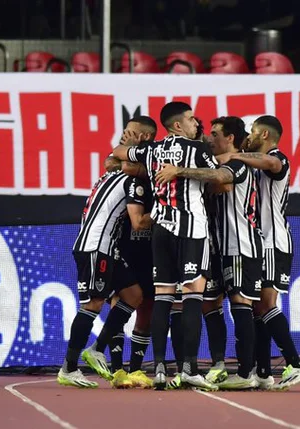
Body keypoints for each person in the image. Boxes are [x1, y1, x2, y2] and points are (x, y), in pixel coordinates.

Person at [112, 102, 218, 391]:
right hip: (192, 229)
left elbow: (118, 154)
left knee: (163, 295)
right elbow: (220, 177)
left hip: (161, 228)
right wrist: (182, 171)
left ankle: (159, 369)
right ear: (177, 126)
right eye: (191, 119)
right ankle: (189, 368)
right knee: (194, 294)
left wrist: (126, 150)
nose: (197, 123)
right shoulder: (196, 149)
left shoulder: (153, 149)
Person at [156, 116, 263, 390]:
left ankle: (248, 370)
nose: (209, 139)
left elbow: (222, 181)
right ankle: (217, 365)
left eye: (215, 134)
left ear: (229, 138)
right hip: (213, 243)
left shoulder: (237, 164)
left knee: (241, 304)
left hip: (239, 244)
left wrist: (181, 172)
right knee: (210, 303)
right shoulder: (216, 158)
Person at [57, 121, 154, 389]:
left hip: (108, 248)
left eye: (129, 137)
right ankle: (69, 367)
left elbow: (115, 160)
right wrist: (164, 210)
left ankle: (97, 347)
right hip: (95, 247)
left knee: (134, 295)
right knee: (93, 304)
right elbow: (138, 223)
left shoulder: (111, 172)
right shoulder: (131, 179)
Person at [218, 115, 300, 390]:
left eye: (254, 132)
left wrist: (236, 155)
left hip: (273, 242)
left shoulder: (276, 157)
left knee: (265, 305)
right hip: (261, 242)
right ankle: (263, 371)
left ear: (265, 135)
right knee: (257, 310)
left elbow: (274, 164)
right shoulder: (254, 164)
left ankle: (295, 364)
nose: (250, 136)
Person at [103, 116, 158, 389]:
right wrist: (131, 167)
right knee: (120, 299)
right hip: (122, 244)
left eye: (129, 133)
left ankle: (136, 369)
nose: (123, 138)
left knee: (147, 305)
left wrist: (139, 170)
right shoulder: (122, 159)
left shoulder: (158, 156)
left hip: (151, 248)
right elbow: (111, 163)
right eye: (123, 132)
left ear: (145, 138)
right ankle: (116, 369)